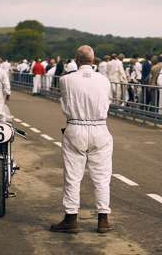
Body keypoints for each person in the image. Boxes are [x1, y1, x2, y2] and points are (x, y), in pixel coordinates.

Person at [50, 45, 113, 234]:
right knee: (102, 177)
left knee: (72, 176)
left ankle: (71, 218)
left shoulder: (65, 80)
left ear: (76, 60)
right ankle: (103, 219)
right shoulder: (104, 80)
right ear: (93, 61)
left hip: (75, 127)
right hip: (100, 127)